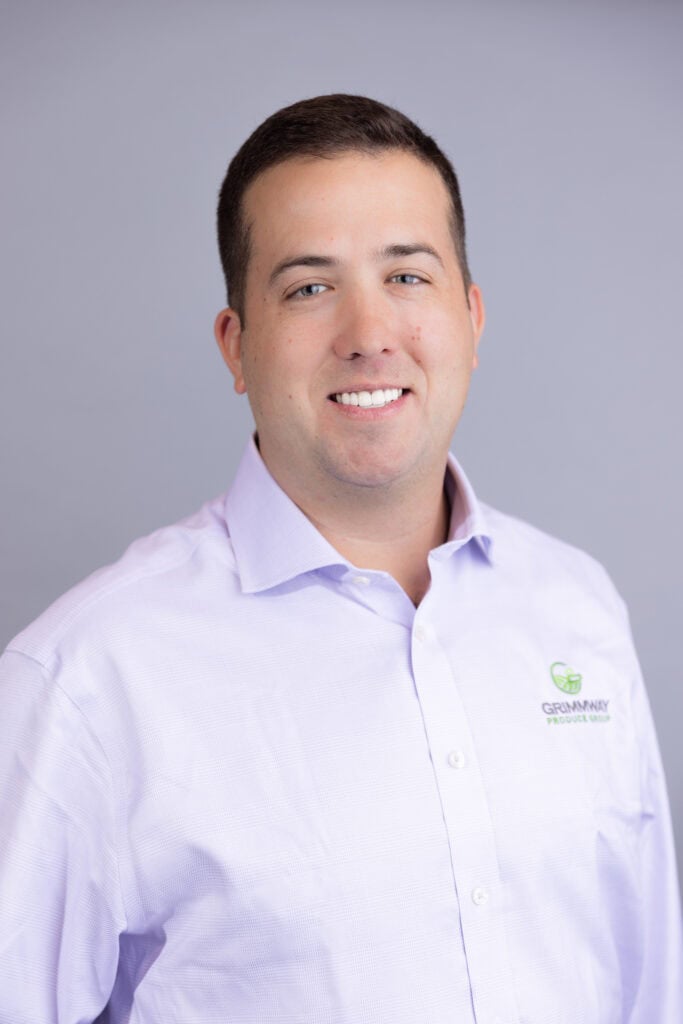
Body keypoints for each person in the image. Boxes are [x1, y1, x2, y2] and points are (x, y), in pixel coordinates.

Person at [1, 94, 681, 1023]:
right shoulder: (84, 679)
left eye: (407, 276)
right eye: (308, 287)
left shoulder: (577, 607)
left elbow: (648, 987)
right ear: (236, 345)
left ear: (471, 318)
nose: (368, 333)